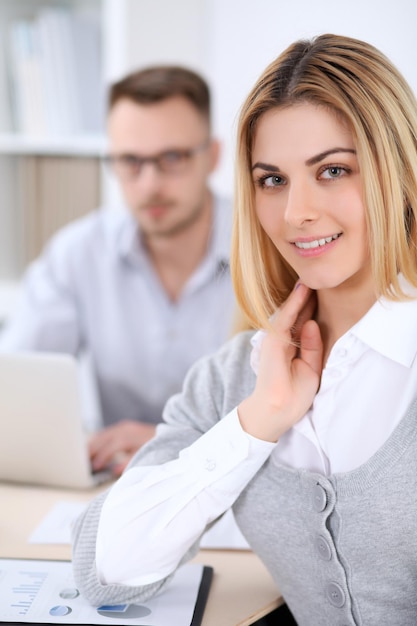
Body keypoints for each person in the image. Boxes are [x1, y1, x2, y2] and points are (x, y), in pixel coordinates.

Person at [71, 33, 417, 625]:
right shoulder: (235, 375)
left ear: (398, 170)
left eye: (332, 170)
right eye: (272, 180)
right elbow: (104, 571)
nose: (295, 213)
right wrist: (258, 421)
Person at [0, 66, 235, 477]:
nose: (149, 184)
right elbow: (16, 388)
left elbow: (306, 424)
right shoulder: (77, 253)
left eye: (172, 158)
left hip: (235, 492)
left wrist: (172, 442)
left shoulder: (271, 253)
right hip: (121, 491)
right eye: (130, 161)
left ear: (213, 156)